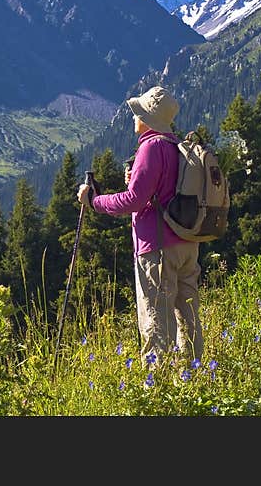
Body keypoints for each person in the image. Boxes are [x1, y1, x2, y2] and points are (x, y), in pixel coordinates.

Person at [77, 85, 203, 364]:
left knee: (157, 318)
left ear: (148, 118)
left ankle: (157, 388)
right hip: (187, 241)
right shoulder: (177, 146)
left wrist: (95, 202)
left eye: (138, 112)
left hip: (156, 246)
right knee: (188, 314)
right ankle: (194, 377)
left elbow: (134, 200)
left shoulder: (151, 146)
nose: (134, 117)